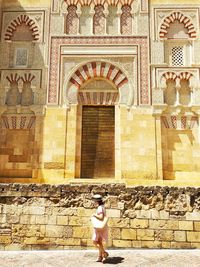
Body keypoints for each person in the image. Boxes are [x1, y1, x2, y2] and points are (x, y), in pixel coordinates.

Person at [92, 194, 109, 263]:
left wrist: (94, 215)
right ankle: (100, 256)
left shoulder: (100, 208)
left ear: (97, 201)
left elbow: (101, 217)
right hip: (102, 226)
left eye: (94, 201)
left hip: (99, 227)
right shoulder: (102, 206)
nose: (94, 202)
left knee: (95, 242)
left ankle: (104, 254)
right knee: (100, 242)